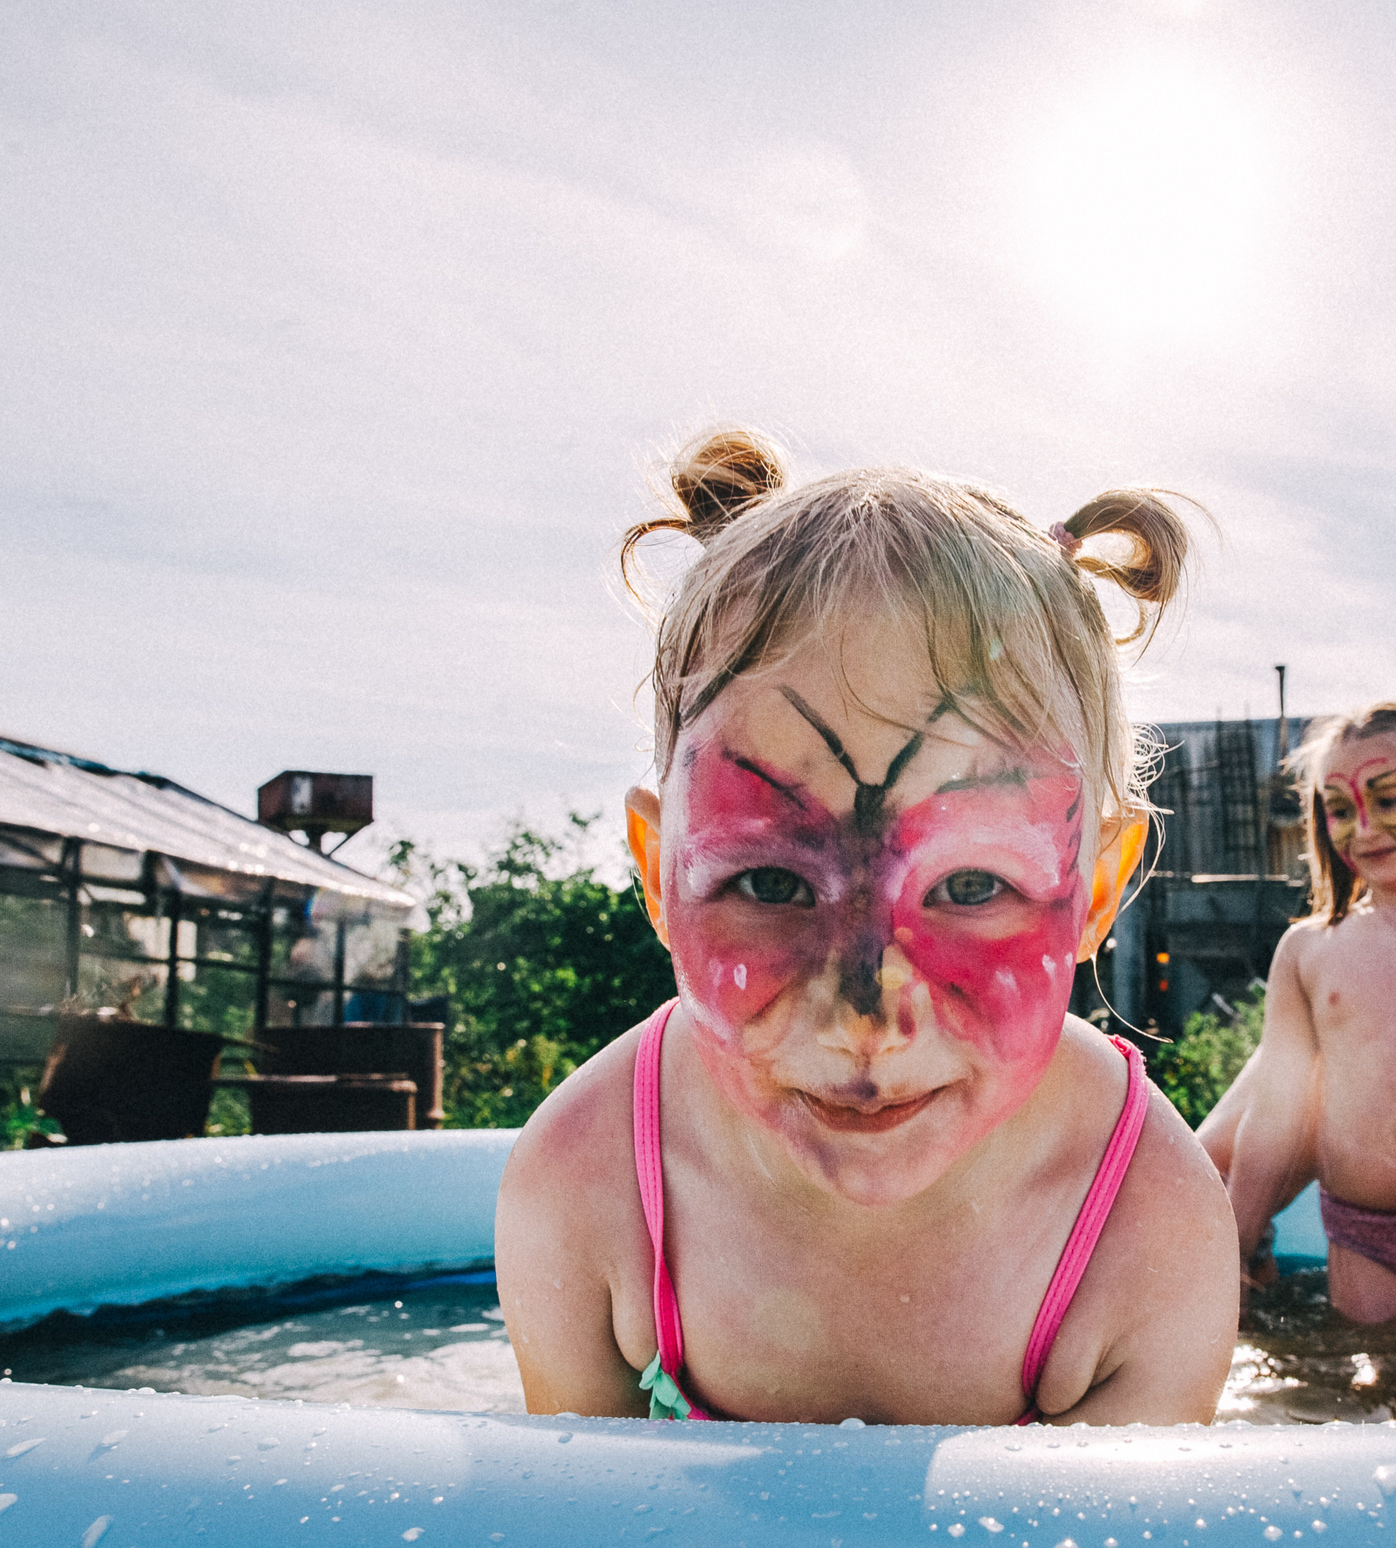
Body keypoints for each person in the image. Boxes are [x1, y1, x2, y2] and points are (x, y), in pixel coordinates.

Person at [495, 428, 1239, 1425]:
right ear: (661, 874)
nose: (867, 1012)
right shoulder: (585, 1189)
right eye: (769, 881)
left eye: (971, 887)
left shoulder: (1145, 1228)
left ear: (1095, 889)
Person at [1197, 704, 1396, 1322]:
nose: (1363, 829)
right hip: (1360, 1231)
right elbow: (1275, 1112)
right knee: (1374, 1380)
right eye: (1338, 808)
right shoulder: (1310, 950)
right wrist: (1237, 1240)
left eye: (1388, 799)